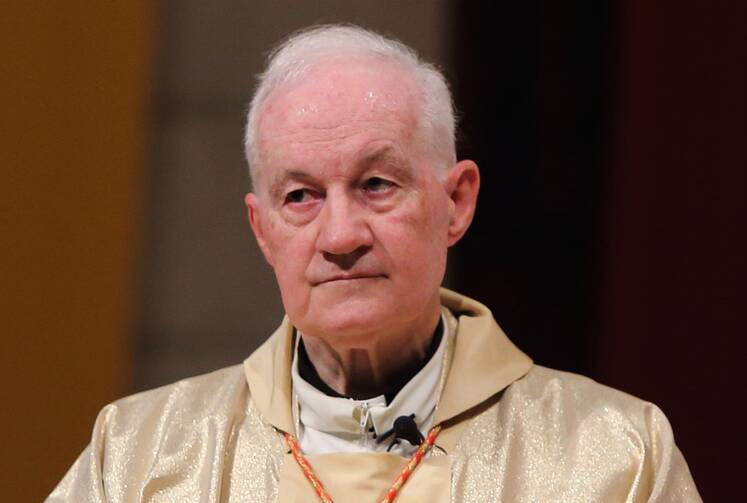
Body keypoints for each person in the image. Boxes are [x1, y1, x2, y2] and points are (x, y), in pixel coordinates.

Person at [48, 25, 701, 502]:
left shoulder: (613, 457)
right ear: (262, 229)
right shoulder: (140, 456)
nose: (338, 235)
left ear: (455, 202)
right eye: (300, 196)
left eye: (376, 184)